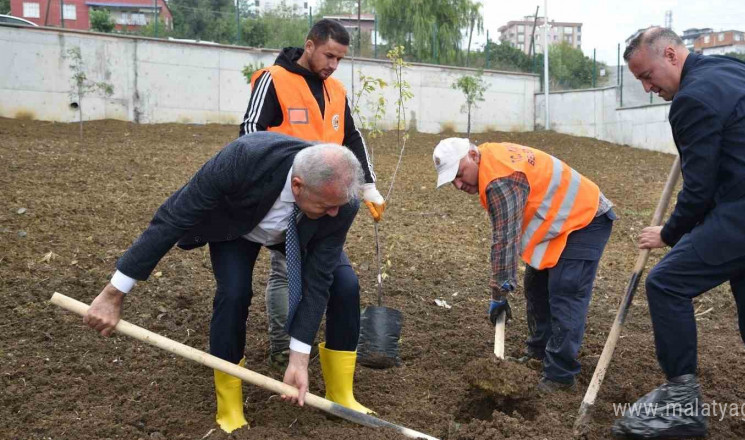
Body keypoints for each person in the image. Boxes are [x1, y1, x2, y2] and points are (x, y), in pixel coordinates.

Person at [611, 28, 745, 440]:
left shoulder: (691, 100)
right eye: (638, 80)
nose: (646, 87)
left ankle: (680, 407)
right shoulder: (734, 70)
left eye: (647, 75)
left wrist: (669, 233)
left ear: (672, 55)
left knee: (667, 283)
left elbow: (698, 190)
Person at [83, 133, 369, 433]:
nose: (335, 213)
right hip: (238, 229)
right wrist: (114, 293)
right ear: (297, 186)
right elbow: (172, 218)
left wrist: (299, 359)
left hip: (300, 234)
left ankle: (341, 394)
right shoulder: (244, 159)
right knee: (233, 293)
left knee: (345, 285)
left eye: (338, 205)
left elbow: (318, 279)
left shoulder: (340, 198)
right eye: (327, 206)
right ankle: (229, 403)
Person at [239, 18, 382, 414]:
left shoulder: (335, 91)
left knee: (346, 285)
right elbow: (250, 132)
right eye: (329, 55)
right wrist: (268, 186)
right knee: (286, 272)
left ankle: (340, 387)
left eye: (340, 58)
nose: (334, 65)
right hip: (287, 199)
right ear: (310, 45)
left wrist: (367, 185)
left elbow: (351, 137)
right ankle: (282, 350)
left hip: (328, 202)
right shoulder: (274, 79)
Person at [433, 138, 616, 392]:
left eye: (460, 174)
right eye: (452, 181)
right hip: (558, 224)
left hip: (585, 219)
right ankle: (539, 353)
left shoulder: (500, 179)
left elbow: (505, 240)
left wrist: (499, 292)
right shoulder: (490, 161)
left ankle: (560, 375)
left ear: (473, 155)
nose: (459, 184)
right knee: (536, 285)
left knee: (565, 291)